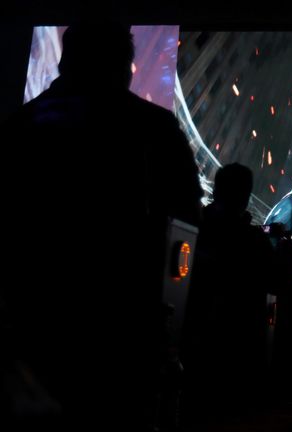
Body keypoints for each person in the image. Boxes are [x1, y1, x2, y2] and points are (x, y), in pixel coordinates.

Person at [4, 21, 202, 430]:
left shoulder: (19, 126)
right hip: (121, 321)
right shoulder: (153, 128)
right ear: (124, 65)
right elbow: (187, 220)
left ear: (65, 60)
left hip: (28, 315)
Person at [181, 164, 273, 420]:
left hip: (197, 344)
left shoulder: (195, 228)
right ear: (245, 196)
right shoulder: (252, 240)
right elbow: (277, 281)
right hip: (237, 349)